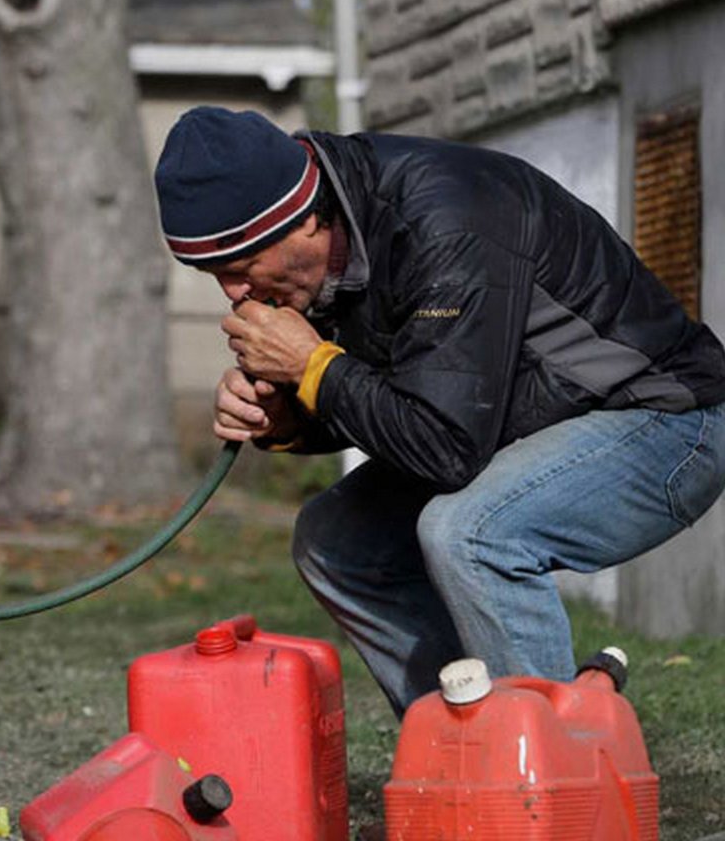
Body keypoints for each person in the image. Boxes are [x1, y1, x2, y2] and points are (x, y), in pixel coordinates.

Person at [154, 106, 725, 717]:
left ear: (305, 221)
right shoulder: (323, 255)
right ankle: (454, 748)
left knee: (471, 533)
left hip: (670, 422)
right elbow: (406, 406)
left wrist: (313, 368)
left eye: (240, 270)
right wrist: (288, 418)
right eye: (215, 275)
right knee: (334, 540)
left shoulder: (447, 221)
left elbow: (445, 447)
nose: (235, 295)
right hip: (516, 428)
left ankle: (543, 776)